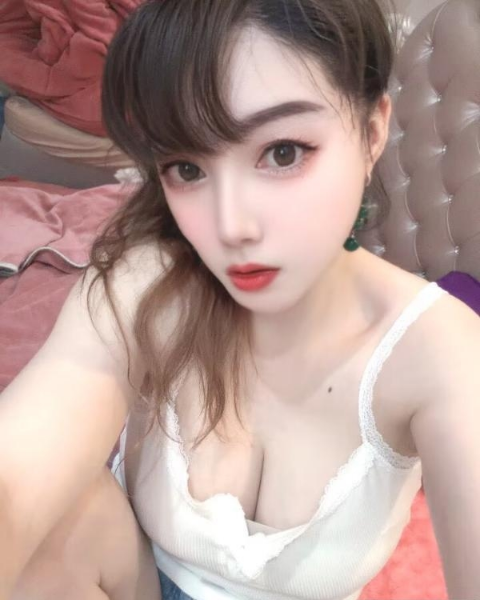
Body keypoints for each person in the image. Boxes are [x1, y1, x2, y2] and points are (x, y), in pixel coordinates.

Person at [1, 0, 480, 599]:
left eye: (282, 153)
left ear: (372, 132)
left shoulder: (439, 351)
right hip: (138, 581)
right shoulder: (145, 286)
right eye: (187, 168)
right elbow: (14, 478)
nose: (230, 227)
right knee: (60, 523)